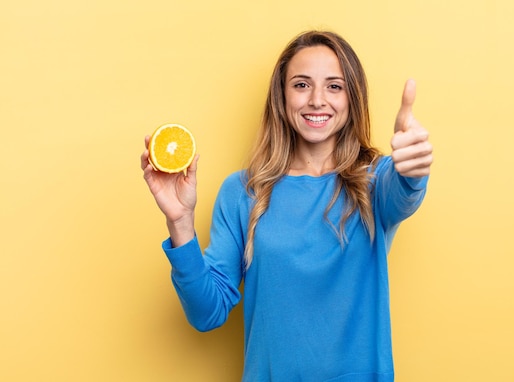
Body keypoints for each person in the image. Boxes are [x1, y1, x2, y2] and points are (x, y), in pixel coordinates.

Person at [141, 30, 433, 381]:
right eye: (301, 85)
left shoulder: (375, 182)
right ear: (281, 96)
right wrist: (180, 222)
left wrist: (413, 169)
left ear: (352, 98)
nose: (317, 100)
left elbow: (405, 193)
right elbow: (207, 313)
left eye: (334, 86)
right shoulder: (242, 192)